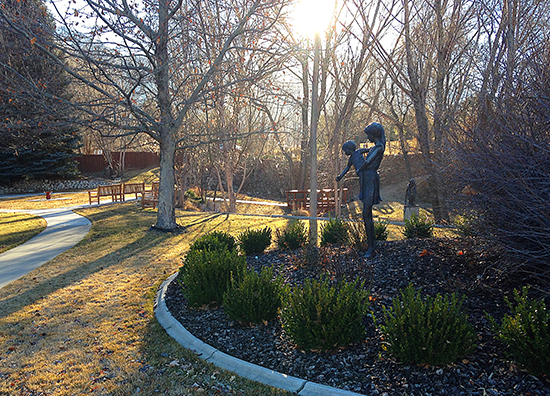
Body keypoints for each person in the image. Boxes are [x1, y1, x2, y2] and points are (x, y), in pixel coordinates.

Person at [336, 122, 385, 258]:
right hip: (365, 179)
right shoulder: (374, 148)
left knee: (366, 213)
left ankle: (371, 247)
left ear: (373, 134)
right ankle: (370, 246)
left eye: (368, 134)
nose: (367, 138)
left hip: (370, 179)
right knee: (366, 214)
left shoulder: (378, 148)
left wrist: (359, 167)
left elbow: (367, 163)